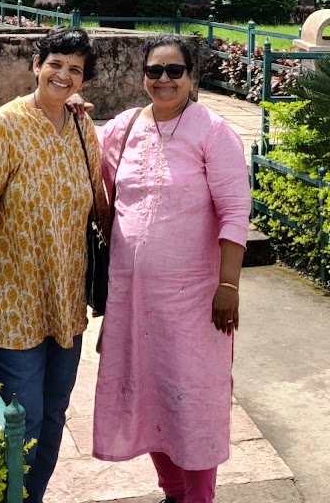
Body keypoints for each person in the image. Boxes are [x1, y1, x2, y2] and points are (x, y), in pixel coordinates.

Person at [92, 35, 250, 503]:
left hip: (196, 302)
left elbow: (234, 212)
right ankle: (174, 492)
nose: (163, 80)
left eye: (174, 71)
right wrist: (73, 112)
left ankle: (198, 498)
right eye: (155, 71)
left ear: (192, 77)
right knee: (152, 396)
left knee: (194, 400)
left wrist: (228, 285)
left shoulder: (212, 132)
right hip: (135, 301)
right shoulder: (121, 128)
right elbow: (99, 186)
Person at [0, 27, 103, 502]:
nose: (63, 74)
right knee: (23, 420)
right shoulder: (6, 125)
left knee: (54, 414)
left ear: (82, 83)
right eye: (55, 63)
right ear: (36, 65)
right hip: (14, 307)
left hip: (66, 305)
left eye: (75, 69)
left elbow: (97, 202)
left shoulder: (82, 127)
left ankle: (29, 497)